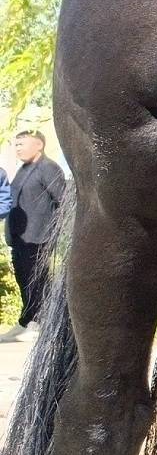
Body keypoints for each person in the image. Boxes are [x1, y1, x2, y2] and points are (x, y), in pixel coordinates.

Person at [7, 130, 66, 328]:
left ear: (39, 145)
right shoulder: (23, 169)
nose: (18, 148)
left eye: (22, 144)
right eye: (16, 145)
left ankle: (40, 322)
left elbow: (62, 200)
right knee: (23, 276)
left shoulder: (48, 168)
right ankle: (28, 320)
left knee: (37, 280)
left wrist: (54, 233)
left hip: (39, 236)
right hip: (20, 236)